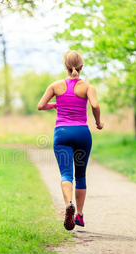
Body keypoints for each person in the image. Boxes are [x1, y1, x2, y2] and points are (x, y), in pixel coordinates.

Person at [37, 50, 103, 230]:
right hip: (82, 134)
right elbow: (95, 105)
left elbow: (40, 106)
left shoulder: (55, 86)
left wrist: (54, 105)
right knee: (81, 175)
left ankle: (68, 205)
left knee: (66, 174)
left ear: (65, 66)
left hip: (62, 134)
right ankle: (79, 215)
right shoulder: (88, 87)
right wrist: (98, 122)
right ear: (81, 67)